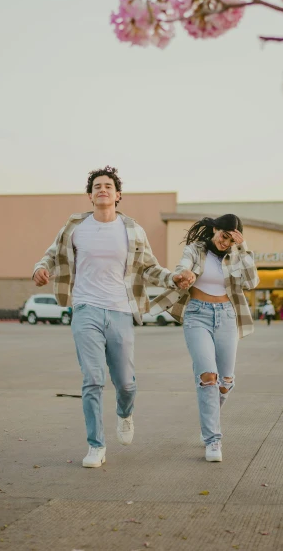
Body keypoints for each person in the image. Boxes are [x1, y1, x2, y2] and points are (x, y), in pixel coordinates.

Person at [32, 166, 194, 469]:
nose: (102, 189)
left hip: (120, 311)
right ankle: (96, 445)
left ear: (117, 195)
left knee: (126, 383)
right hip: (85, 309)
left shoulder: (131, 229)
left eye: (108, 186)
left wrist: (173, 278)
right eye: (97, 186)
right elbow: (51, 255)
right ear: (90, 195)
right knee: (92, 379)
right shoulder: (75, 226)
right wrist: (40, 269)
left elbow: (149, 268)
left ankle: (124, 413)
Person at [150, 214, 259, 463]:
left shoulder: (237, 254)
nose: (225, 242)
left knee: (224, 382)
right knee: (208, 377)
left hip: (227, 317)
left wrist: (242, 248)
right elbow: (183, 266)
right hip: (197, 315)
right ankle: (213, 439)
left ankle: (210, 419)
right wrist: (183, 275)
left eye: (232, 239)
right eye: (223, 236)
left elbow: (252, 282)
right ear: (215, 230)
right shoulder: (196, 250)